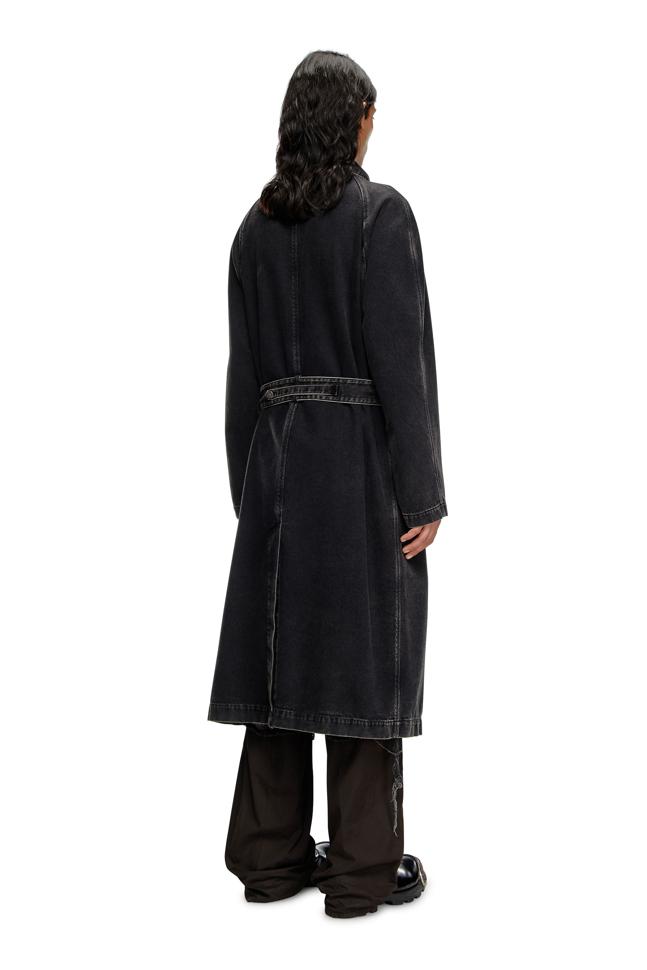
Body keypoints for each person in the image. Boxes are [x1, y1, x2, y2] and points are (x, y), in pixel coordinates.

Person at [207, 50, 448, 919]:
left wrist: (251, 495)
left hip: (276, 474)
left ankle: (269, 860)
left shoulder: (253, 229)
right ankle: (360, 871)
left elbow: (243, 383)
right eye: (370, 114)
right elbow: (402, 369)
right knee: (362, 664)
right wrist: (421, 494)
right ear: (355, 120)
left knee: (278, 667)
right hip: (358, 473)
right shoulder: (381, 216)